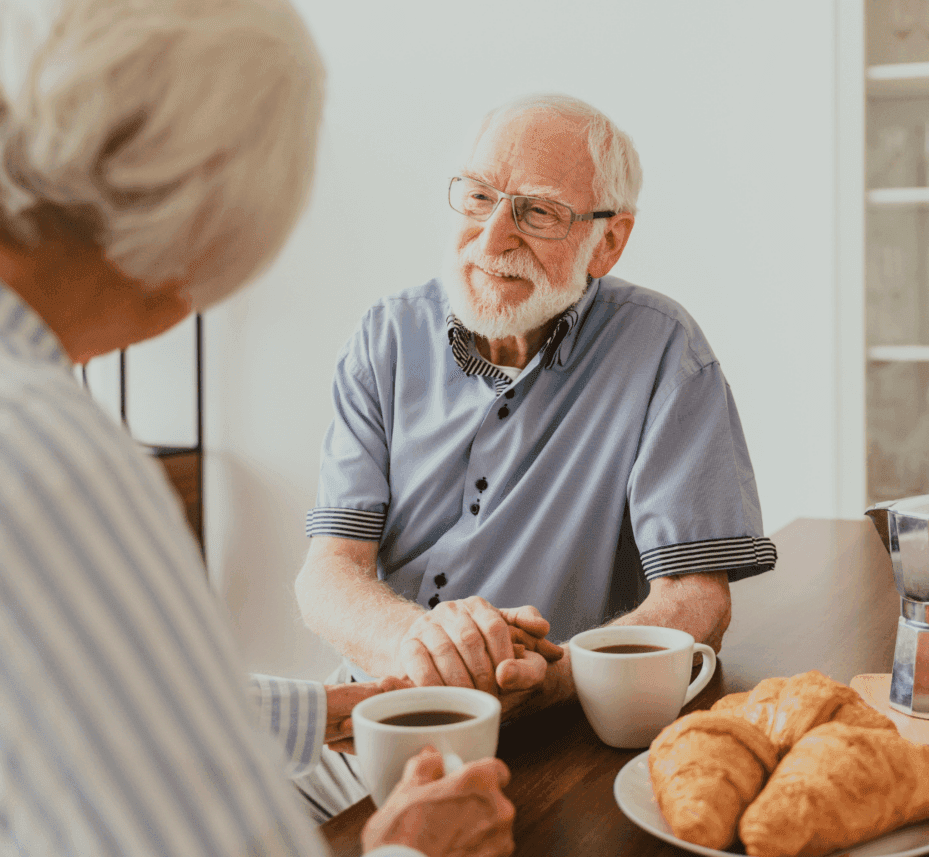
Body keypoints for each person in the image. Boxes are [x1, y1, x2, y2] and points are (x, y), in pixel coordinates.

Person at [0, 1, 515, 855]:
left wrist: (328, 709)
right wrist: (414, 850)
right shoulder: (55, 459)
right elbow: (326, 576)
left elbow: (81, 694)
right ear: (207, 227)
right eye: (480, 198)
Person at [296, 93, 778, 715]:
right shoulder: (384, 337)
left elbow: (695, 600)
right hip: (379, 708)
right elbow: (329, 572)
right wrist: (420, 643)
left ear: (608, 243)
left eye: (539, 212)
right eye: (478, 197)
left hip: (565, 726)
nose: (494, 238)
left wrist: (562, 675)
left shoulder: (663, 349)